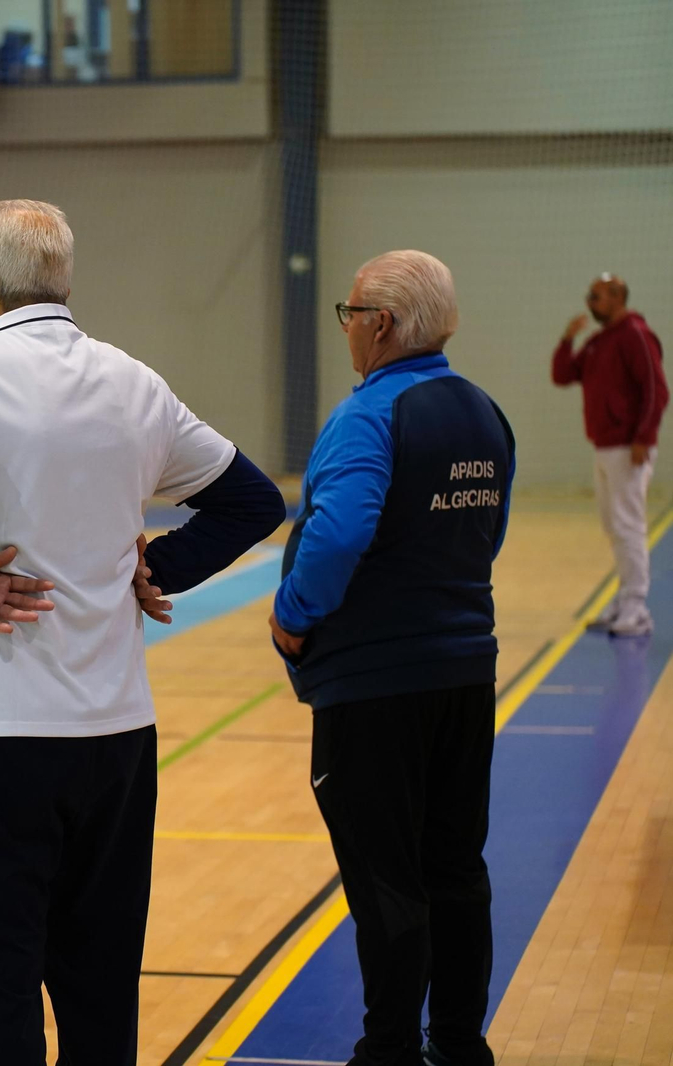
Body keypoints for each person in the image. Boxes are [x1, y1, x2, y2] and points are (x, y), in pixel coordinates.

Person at [0, 199, 285, 1065]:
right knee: (100, 1000)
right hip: (116, 745)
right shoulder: (133, 381)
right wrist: (157, 568)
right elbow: (253, 501)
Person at [270, 251, 515, 1066]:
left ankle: (387, 1052)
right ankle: (456, 1044)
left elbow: (337, 532)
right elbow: (489, 539)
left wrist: (293, 614)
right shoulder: (485, 414)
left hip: (375, 686)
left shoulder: (369, 415)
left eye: (350, 315)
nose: (347, 331)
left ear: (380, 325)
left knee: (386, 877)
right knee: (455, 866)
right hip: (465, 676)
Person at [551, 273, 666, 636]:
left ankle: (636, 606)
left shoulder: (635, 335)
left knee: (629, 525)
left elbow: (656, 390)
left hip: (628, 447)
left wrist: (642, 438)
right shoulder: (599, 341)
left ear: (618, 297)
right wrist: (568, 337)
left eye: (597, 296)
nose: (590, 302)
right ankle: (624, 598)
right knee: (613, 525)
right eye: (589, 296)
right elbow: (563, 374)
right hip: (604, 446)